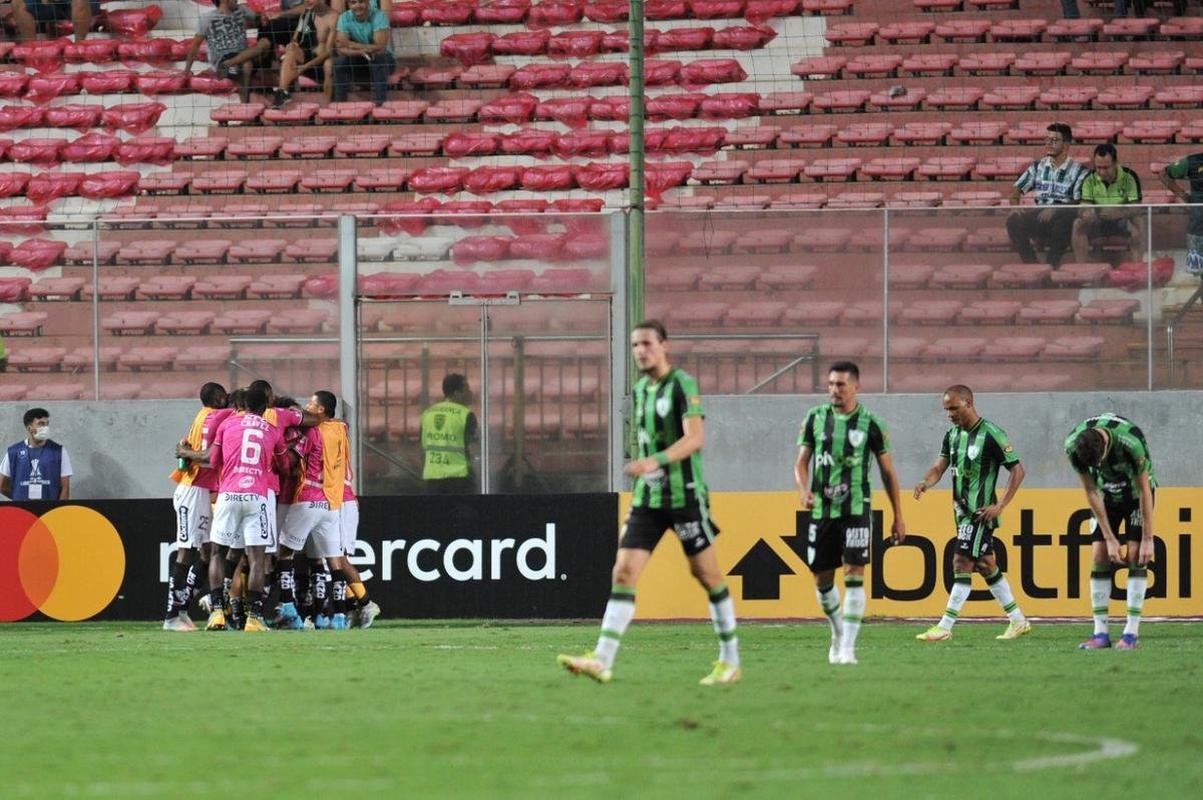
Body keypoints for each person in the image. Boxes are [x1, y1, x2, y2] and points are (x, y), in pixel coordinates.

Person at [558, 320, 741, 686]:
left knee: (706, 575)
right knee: (623, 572)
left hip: (684, 495)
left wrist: (654, 461)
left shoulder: (682, 385)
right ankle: (602, 659)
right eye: (635, 345)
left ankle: (730, 661)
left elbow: (695, 439)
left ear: (663, 346)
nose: (640, 351)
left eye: (646, 343)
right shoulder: (640, 391)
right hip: (648, 499)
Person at [793, 361, 905, 666]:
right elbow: (801, 462)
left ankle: (848, 648)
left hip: (857, 507)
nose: (834, 390)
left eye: (841, 384)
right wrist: (804, 489)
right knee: (822, 579)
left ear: (856, 386)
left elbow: (888, 472)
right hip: (821, 509)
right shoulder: (814, 418)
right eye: (830, 384)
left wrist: (898, 514)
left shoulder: (871, 423)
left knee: (854, 573)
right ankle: (837, 632)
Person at [913, 386, 1031, 642]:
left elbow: (1017, 470)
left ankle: (945, 626)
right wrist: (925, 482)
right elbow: (939, 466)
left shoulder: (992, 434)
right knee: (986, 565)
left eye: (954, 408)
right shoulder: (952, 435)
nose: (950, 414)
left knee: (961, 562)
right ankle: (1018, 620)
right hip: (960, 511)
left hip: (979, 514)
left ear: (968, 403)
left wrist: (1000, 505)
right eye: (946, 409)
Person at [1065, 414, 1156, 650]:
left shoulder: (1131, 442)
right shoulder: (1073, 447)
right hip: (1106, 495)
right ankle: (1100, 634)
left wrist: (1148, 538)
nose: (1097, 467)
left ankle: (1130, 634)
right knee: (1099, 554)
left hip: (1136, 495)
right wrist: (1109, 538)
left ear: (1105, 446)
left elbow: (1146, 489)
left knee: (1136, 554)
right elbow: (1091, 491)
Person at [206, 384, 288, 632]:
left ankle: (218, 612)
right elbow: (284, 464)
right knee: (256, 559)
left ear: (243, 404)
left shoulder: (227, 424)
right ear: (264, 407)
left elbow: (212, 460)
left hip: (229, 493)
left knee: (218, 553)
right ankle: (253, 618)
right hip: (258, 496)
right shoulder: (272, 430)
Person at [276, 391, 352, 629]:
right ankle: (336, 617)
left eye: (312, 404)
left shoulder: (312, 431)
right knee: (334, 561)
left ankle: (289, 607)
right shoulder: (341, 429)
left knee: (285, 553)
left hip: (308, 497)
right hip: (331, 504)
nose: (307, 407)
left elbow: (291, 458)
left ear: (321, 411)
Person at [163, 382, 231, 632]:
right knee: (186, 551)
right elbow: (207, 455)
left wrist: (183, 451)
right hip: (191, 491)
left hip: (202, 491)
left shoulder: (203, 416)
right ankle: (171, 617)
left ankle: (182, 610)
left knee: (208, 550)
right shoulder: (215, 415)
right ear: (219, 397)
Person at [1007, 122, 1088, 268]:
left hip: (1065, 214)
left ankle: (1052, 265)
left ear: (1066, 145)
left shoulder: (1079, 171)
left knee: (1065, 221)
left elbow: (1078, 200)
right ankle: (1032, 266)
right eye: (1047, 140)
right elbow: (1016, 191)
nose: (1049, 143)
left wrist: (1056, 208)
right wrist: (1015, 206)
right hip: (1041, 213)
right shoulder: (1038, 167)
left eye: (1054, 140)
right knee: (1013, 221)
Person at [183, 0, 271, 104]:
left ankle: (230, 63)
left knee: (265, 43)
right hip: (222, 59)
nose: (237, 1)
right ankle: (245, 107)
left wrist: (262, 18)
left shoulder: (241, 10)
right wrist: (187, 69)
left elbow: (258, 19)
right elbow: (195, 45)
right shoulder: (206, 18)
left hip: (242, 54)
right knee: (246, 64)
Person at [1072, 144, 1146, 263]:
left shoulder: (1129, 177)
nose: (1101, 172)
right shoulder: (1088, 178)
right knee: (1078, 223)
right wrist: (1087, 212)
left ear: (1116, 163)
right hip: (1097, 220)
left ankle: (1136, 266)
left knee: (1139, 221)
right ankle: (1081, 267)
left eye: (1106, 167)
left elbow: (1137, 207)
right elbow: (1084, 204)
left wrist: (1119, 213)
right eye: (1098, 167)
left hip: (1122, 221)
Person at [270, 0, 337, 107]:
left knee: (328, 65)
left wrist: (304, 67)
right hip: (307, 56)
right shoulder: (306, 13)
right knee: (291, 50)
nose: (308, 1)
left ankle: (327, 109)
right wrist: (292, 45)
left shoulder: (334, 17)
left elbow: (329, 52)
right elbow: (296, 38)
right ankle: (282, 92)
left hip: (320, 62)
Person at [420, 374, 478, 495]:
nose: (471, 393)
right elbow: (474, 444)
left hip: (433, 478)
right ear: (457, 393)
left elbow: (425, 445)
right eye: (467, 389)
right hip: (459, 479)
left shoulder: (428, 413)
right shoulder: (466, 415)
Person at [1, 407, 73, 501]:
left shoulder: (59, 451)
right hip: (23, 510)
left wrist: (58, 510)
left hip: (50, 510)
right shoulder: (13, 452)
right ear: (29, 428)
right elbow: (2, 486)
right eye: (41, 424)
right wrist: (18, 499)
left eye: (47, 424)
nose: (45, 428)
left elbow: (65, 488)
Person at [332, 0, 395, 105]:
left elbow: (380, 47)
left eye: (361, 2)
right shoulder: (344, 18)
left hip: (383, 61)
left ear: (368, 3)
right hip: (358, 60)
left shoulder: (379, 16)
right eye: (354, 2)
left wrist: (352, 45)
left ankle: (381, 105)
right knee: (339, 62)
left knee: (379, 59)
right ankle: (340, 105)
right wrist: (361, 51)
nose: (357, 6)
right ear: (349, 5)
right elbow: (340, 48)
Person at [1160, 151, 1203, 276]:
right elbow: (1164, 174)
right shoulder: (1193, 161)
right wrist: (1183, 195)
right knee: (1196, 276)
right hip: (1197, 232)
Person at [10, 0, 97, 42]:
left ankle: (80, 45)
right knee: (16, 2)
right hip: (43, 5)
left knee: (80, 1)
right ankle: (31, 47)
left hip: (76, 4)